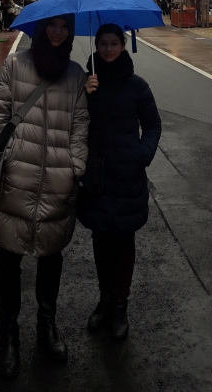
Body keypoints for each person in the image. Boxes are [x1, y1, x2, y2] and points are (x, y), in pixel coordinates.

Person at [0, 15, 89, 378]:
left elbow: (80, 126)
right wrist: (11, 158)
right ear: (41, 28)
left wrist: (75, 167)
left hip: (58, 180)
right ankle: (9, 335)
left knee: (51, 256)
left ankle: (47, 326)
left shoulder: (76, 75)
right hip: (18, 177)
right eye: (52, 25)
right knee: (8, 258)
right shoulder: (15, 65)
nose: (58, 32)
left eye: (64, 26)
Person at [78, 24, 162, 339]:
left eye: (114, 43)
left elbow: (152, 125)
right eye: (103, 43)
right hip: (96, 173)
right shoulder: (88, 83)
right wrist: (85, 96)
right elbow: (75, 123)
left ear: (123, 46)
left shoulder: (137, 86)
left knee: (124, 239)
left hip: (128, 173)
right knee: (101, 238)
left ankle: (119, 304)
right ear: (96, 46)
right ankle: (104, 299)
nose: (108, 49)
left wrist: (143, 154)